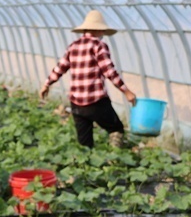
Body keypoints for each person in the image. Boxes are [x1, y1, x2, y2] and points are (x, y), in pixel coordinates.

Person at [39, 10, 137, 148]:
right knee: (116, 129)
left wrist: (47, 84)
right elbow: (109, 71)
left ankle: (85, 167)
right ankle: (115, 161)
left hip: (76, 104)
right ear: (98, 30)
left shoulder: (73, 46)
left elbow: (60, 68)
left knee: (85, 144)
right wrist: (127, 92)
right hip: (96, 101)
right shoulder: (98, 46)